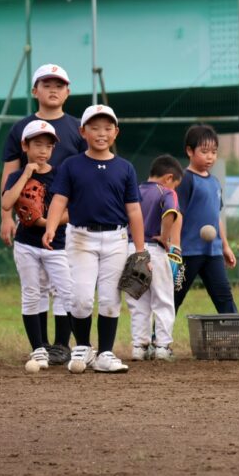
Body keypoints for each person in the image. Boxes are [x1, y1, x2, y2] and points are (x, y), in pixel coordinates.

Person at [43, 105, 146, 373]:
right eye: (95, 127)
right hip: (81, 238)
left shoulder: (125, 168)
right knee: (81, 298)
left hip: (116, 238)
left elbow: (133, 210)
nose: (101, 133)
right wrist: (51, 227)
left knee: (111, 299)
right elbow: (59, 199)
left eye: (107, 128)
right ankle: (85, 346)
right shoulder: (71, 165)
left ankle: (107, 354)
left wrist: (140, 249)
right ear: (83, 132)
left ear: (116, 133)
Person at [0, 64, 85, 361]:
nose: (53, 89)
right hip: (28, 229)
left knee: (63, 285)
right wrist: (5, 216)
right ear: (35, 90)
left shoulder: (77, 127)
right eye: (46, 84)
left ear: (68, 92)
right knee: (35, 288)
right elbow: (10, 172)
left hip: (66, 221)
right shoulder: (20, 127)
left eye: (59, 84)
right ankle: (41, 346)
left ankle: (62, 345)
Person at [174, 124, 239, 353]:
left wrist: (225, 246)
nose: (210, 157)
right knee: (174, 297)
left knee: (223, 295)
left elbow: (216, 217)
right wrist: (174, 246)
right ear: (189, 151)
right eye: (204, 151)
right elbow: (176, 215)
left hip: (212, 251)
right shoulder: (186, 180)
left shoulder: (215, 182)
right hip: (188, 251)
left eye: (214, 152)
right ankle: (157, 340)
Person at [1, 120, 72, 371]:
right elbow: (7, 202)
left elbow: (69, 210)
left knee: (66, 292)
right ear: (25, 146)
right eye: (37, 144)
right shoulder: (15, 175)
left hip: (57, 243)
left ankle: (62, 346)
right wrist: (26, 174)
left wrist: (47, 222)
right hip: (26, 245)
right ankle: (39, 348)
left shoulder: (61, 174)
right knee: (32, 294)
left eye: (48, 146)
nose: (43, 150)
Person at [128, 155, 183, 362]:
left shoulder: (135, 190)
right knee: (163, 299)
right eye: (175, 184)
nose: (174, 188)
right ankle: (162, 346)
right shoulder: (166, 191)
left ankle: (139, 347)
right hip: (154, 248)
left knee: (138, 301)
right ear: (169, 178)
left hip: (131, 249)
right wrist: (164, 234)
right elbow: (170, 212)